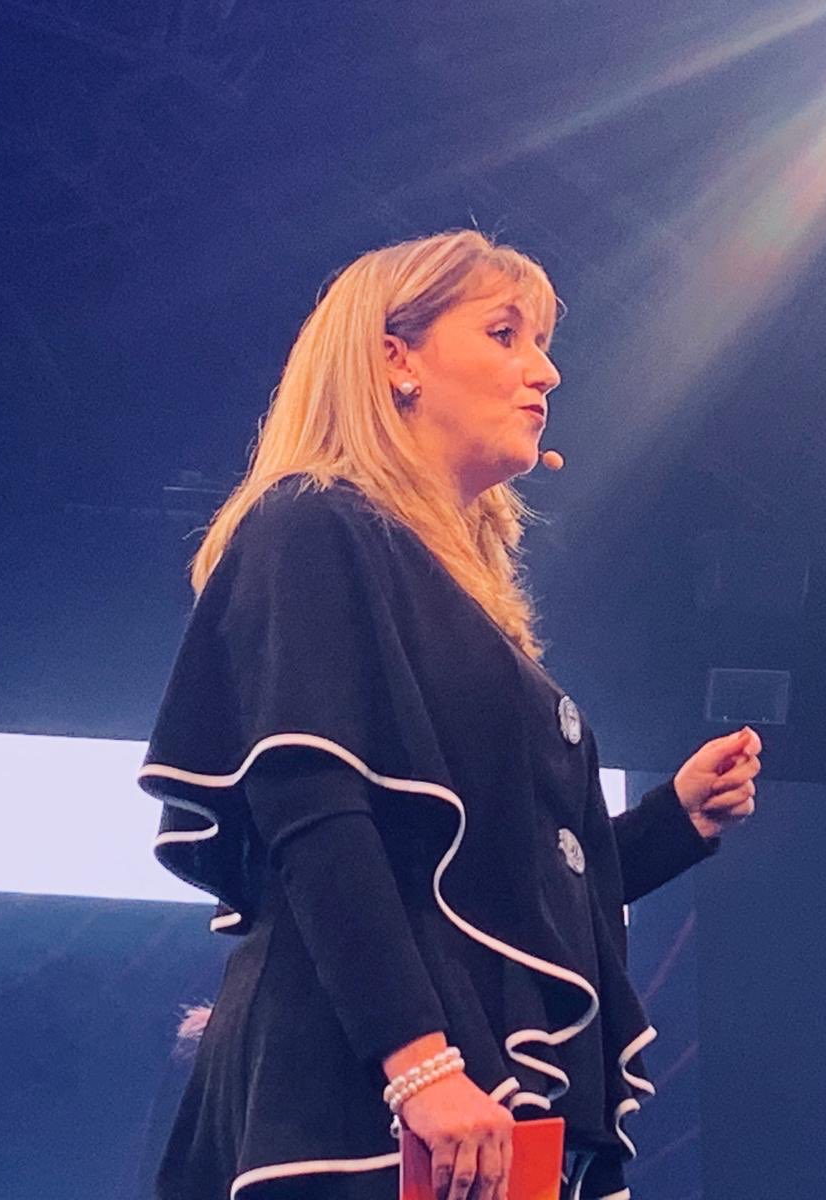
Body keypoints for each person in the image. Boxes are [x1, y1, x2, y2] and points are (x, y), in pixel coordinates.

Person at [138, 228, 762, 1200]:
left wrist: (671, 822)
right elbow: (315, 811)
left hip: (474, 1095)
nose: (545, 371)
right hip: (371, 1091)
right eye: (505, 334)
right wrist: (419, 1066)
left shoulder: (466, 611)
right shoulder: (311, 523)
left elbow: (503, 890)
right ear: (397, 358)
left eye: (541, 342)